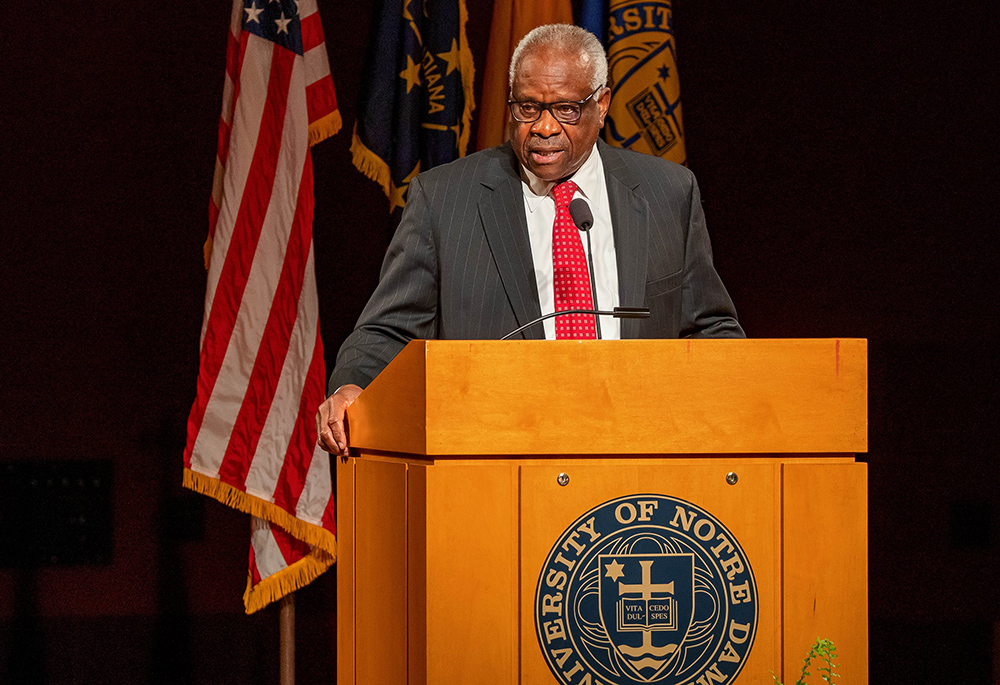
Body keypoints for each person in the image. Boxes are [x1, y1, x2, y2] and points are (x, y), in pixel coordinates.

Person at [317, 24, 743, 455]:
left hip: (638, 448)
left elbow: (712, 328)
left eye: (565, 109)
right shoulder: (445, 200)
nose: (543, 127)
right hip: (497, 453)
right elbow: (387, 330)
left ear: (602, 104)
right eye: (527, 108)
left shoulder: (667, 193)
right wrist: (353, 384)